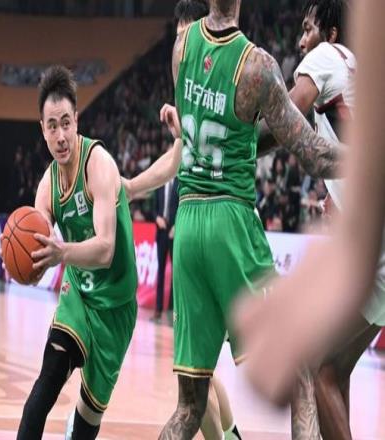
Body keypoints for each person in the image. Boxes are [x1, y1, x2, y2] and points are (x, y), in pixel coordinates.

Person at [126, 0, 341, 436]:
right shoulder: (257, 66)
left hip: (189, 223)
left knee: (189, 406)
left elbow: (204, 125)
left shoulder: (181, 48)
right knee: (300, 370)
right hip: (231, 221)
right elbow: (314, 156)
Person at [234, 0, 385, 411]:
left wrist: (233, 147)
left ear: (330, 34)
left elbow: (286, 118)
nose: (301, 41)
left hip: (376, 251)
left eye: (307, 29)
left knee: (318, 369)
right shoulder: (357, 67)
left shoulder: (325, 56)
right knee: (335, 371)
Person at [16, 65, 138, 440]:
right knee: (45, 386)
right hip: (79, 299)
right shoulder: (47, 186)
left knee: (86, 426)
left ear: (77, 120)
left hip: (116, 306)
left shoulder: (99, 164)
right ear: (42, 130)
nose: (61, 136)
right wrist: (26, 263)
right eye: (52, 126)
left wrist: (62, 253)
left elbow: (105, 249)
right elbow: (36, 245)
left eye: (66, 123)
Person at [153, 175, 178, 321]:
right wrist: (157, 217)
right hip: (161, 231)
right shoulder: (160, 183)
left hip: (175, 231)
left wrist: (176, 225)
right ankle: (158, 308)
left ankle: (173, 309)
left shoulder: (179, 182)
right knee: (160, 271)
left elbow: (182, 206)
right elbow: (153, 209)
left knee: (176, 272)